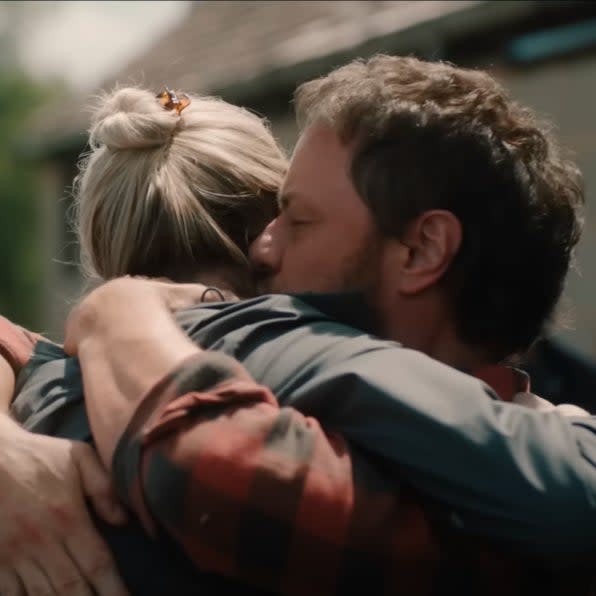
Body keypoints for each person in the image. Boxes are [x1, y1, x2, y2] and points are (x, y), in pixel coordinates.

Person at [0, 58, 594, 594]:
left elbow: (212, 465)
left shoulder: (56, 394)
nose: (266, 246)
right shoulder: (509, 459)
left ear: (423, 250)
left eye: (298, 218)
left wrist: (115, 311)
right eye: (276, 212)